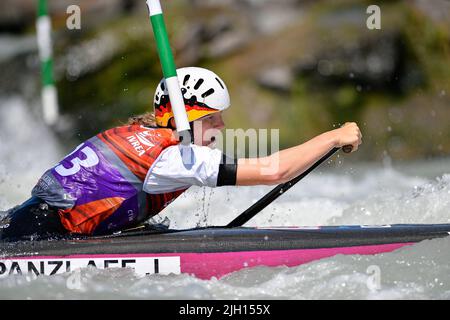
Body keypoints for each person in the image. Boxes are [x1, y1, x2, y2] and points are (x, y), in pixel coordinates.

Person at [0, 67, 362, 241]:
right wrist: (333, 137)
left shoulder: (135, 131)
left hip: (23, 220)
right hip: (34, 236)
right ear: (182, 121)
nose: (220, 128)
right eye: (212, 119)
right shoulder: (175, 158)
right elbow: (272, 171)